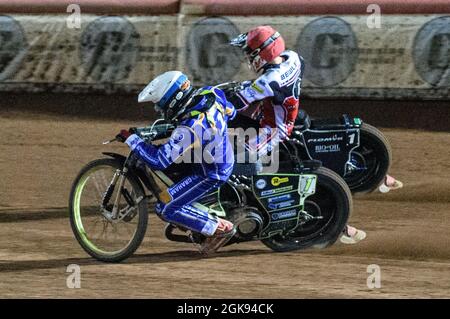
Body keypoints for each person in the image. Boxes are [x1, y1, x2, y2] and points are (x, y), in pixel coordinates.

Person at [228, 26, 367, 244]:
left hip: (273, 128)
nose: (247, 57)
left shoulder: (268, 81)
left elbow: (236, 102)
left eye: (250, 52)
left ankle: (248, 201)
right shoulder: (291, 58)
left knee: (235, 161)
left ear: (263, 53)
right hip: (274, 112)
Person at [116, 71, 237, 254]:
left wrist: (132, 140)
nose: (159, 110)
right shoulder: (210, 93)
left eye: (160, 105)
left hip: (210, 172)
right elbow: (232, 112)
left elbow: (159, 160)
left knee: (165, 208)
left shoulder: (189, 127)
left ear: (172, 101)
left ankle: (219, 228)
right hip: (216, 155)